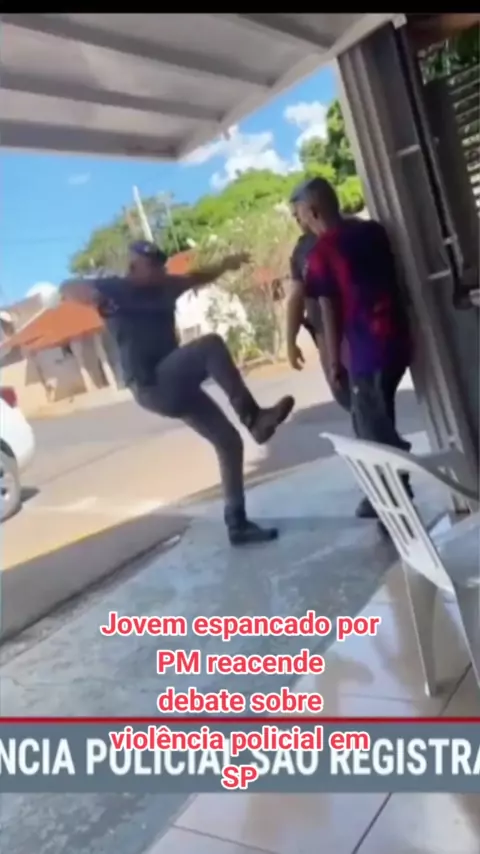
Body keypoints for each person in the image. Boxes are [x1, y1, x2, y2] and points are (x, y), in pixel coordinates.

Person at [59, 241, 294, 544]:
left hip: (175, 379)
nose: (161, 274)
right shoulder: (114, 289)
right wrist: (93, 296)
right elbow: (67, 287)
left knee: (229, 442)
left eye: (162, 268)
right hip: (151, 385)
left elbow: (197, 277)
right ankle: (255, 419)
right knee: (210, 346)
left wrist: (226, 264)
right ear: (134, 267)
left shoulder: (166, 286)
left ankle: (237, 524)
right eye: (154, 268)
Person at [297, 178, 412, 518]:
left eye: (301, 215)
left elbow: (329, 310)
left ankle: (393, 495)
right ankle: (385, 492)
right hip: (398, 337)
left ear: (314, 211)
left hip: (367, 349)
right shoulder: (373, 232)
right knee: (376, 415)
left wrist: (334, 362)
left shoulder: (322, 253)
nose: (302, 223)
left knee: (370, 425)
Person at [286, 182, 351, 412]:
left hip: (336, 331)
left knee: (349, 395)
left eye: (298, 212)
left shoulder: (308, 250)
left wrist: (290, 342)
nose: (296, 219)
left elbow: (302, 299)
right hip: (356, 329)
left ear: (311, 210)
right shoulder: (358, 229)